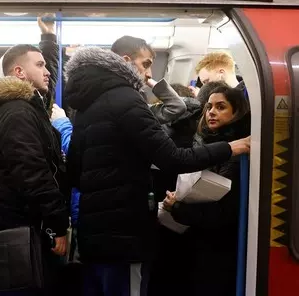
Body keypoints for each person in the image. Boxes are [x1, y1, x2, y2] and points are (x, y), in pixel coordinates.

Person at [64, 47, 250, 296]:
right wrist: (231, 147)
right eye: (147, 64)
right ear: (127, 63)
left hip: (93, 237)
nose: (150, 72)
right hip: (126, 237)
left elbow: (75, 174)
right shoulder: (127, 99)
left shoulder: (85, 109)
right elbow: (173, 158)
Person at [0, 44, 68, 294]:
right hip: (22, 224)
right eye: (39, 65)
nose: (47, 71)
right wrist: (57, 223)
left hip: (25, 220)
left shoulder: (26, 108)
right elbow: (32, 173)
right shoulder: (18, 112)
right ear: (19, 72)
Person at [163, 85, 251, 296]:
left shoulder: (238, 154)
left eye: (221, 107)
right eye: (209, 107)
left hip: (220, 247)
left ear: (237, 111)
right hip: (204, 242)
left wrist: (178, 207)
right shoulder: (208, 146)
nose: (211, 112)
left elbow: (222, 215)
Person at [111, 35, 186, 124]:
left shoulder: (138, 105)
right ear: (126, 62)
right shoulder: (111, 101)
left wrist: (149, 82)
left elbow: (177, 107)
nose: (150, 74)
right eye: (145, 65)